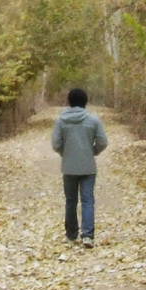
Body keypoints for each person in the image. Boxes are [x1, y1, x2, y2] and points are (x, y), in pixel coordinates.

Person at [51, 87, 109, 245]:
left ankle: (71, 234)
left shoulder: (61, 120)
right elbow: (103, 142)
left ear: (69, 102)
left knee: (70, 200)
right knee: (88, 200)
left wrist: (66, 152)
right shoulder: (93, 120)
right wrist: (93, 151)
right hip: (88, 166)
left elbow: (56, 144)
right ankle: (88, 235)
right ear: (85, 101)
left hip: (69, 167)